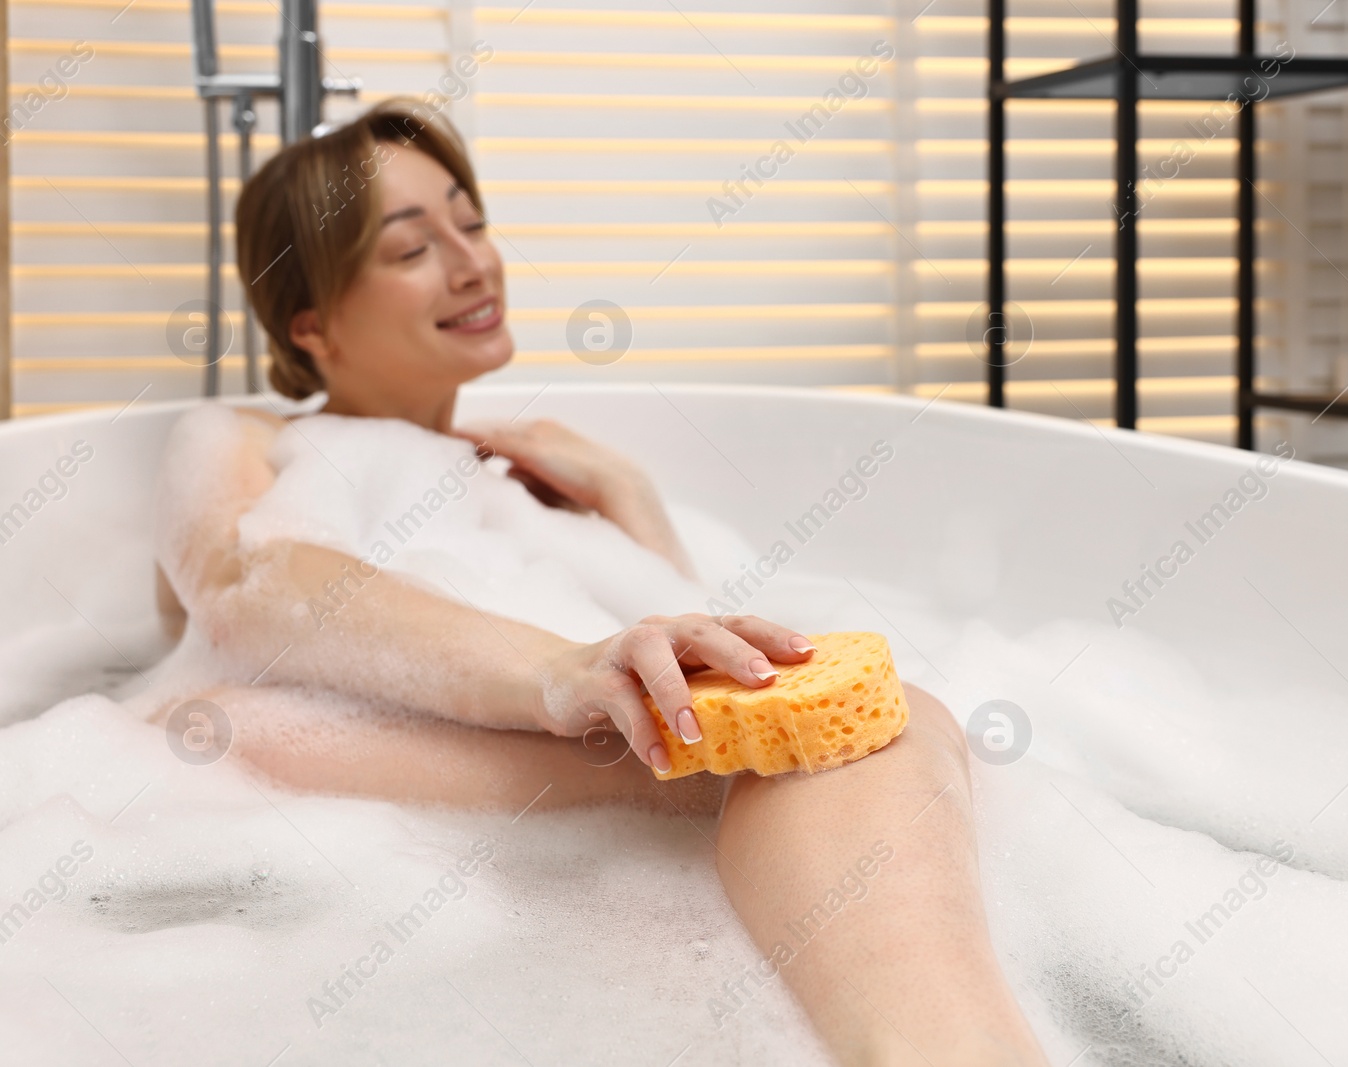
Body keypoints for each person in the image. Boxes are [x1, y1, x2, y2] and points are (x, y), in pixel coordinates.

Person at [152, 98, 1050, 1067]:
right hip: (267, 750)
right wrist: (560, 669)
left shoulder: (535, 482)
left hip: (526, 780)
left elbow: (678, 628)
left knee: (848, 715)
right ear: (312, 323)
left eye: (473, 220)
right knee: (850, 727)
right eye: (411, 249)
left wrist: (628, 498)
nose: (472, 263)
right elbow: (252, 582)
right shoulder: (245, 443)